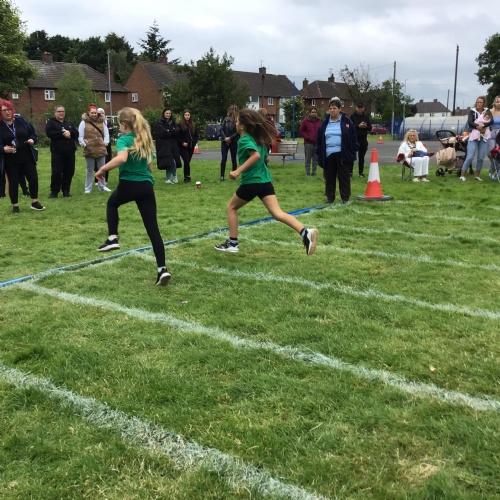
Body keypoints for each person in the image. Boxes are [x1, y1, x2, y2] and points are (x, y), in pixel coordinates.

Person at [214, 108, 319, 255]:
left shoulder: (244, 140)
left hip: (252, 181)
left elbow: (256, 156)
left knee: (231, 207)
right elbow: (265, 158)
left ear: (242, 126)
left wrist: (237, 171)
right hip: (265, 181)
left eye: (237, 121)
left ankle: (232, 243)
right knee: (277, 213)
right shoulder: (258, 139)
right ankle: (305, 232)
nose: (235, 123)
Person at [95, 107, 171, 286]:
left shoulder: (124, 140)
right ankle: (162, 269)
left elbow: (122, 158)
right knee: (153, 230)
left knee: (112, 204)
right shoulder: (144, 139)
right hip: (146, 186)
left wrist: (102, 169)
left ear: (123, 124)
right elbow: (150, 167)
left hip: (129, 184)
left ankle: (112, 238)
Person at [0, 99, 45, 213]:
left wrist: (32, 140)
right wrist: (3, 149)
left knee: (33, 178)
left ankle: (34, 202)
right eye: (4, 110)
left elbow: (32, 133)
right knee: (13, 182)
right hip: (11, 160)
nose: (7, 112)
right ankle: (15, 205)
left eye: (9, 109)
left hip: (26, 157)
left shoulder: (20, 120)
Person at [315, 97, 358, 204]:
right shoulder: (325, 123)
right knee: (329, 177)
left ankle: (345, 197)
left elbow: (353, 137)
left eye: (334, 108)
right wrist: (319, 152)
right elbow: (319, 139)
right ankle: (330, 197)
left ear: (339, 109)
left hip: (343, 154)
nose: (332, 110)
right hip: (328, 154)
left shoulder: (347, 122)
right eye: (330, 108)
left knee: (344, 177)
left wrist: (352, 151)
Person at [45, 105, 79, 198]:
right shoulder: (51, 123)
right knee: (56, 173)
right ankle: (54, 191)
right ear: (55, 112)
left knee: (69, 172)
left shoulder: (69, 123)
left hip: (70, 153)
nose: (61, 113)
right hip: (57, 153)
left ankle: (66, 190)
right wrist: (63, 133)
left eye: (62, 111)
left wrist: (70, 133)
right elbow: (49, 133)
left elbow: (76, 133)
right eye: (59, 111)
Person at [78, 103, 111, 193]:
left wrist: (105, 143)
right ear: (88, 113)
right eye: (92, 113)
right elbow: (80, 136)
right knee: (90, 169)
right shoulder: (83, 123)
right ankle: (88, 188)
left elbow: (106, 134)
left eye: (95, 113)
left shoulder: (102, 122)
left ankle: (102, 186)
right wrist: (84, 144)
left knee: (102, 168)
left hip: (101, 148)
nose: (94, 114)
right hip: (89, 148)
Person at [459, 96, 493, 182]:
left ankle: (477, 175)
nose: (479, 104)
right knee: (470, 156)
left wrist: (483, 126)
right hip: (474, 135)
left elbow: (491, 121)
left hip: (484, 135)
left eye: (481, 102)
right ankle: (462, 175)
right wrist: (478, 126)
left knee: (480, 157)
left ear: (484, 103)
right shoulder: (472, 111)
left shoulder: (487, 111)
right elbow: (470, 122)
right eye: (478, 102)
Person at [155, 107, 181, 184]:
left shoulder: (172, 122)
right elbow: (163, 133)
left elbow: (177, 131)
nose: (168, 115)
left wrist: (170, 131)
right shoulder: (160, 123)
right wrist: (171, 131)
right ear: (164, 114)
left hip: (173, 145)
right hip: (164, 146)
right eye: (167, 113)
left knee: (170, 162)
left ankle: (167, 179)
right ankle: (175, 175)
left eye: (169, 113)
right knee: (171, 162)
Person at [350, 102, 372, 178]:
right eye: (358, 107)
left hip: (363, 140)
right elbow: (350, 127)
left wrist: (365, 126)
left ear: (363, 108)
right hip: (354, 140)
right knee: (352, 156)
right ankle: (350, 172)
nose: (360, 109)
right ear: (356, 108)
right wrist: (358, 126)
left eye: (361, 107)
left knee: (361, 157)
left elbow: (370, 128)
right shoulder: (352, 117)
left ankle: (361, 173)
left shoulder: (366, 117)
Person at [299, 107, 322, 176]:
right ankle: (307, 172)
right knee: (308, 158)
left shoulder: (319, 121)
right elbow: (301, 131)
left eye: (315, 112)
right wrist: (307, 137)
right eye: (312, 112)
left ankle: (314, 172)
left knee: (315, 159)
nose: (314, 113)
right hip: (308, 143)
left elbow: (321, 130)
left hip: (317, 143)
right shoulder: (305, 121)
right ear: (309, 113)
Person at [220, 105, 239, 181]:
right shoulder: (226, 120)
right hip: (224, 142)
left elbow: (237, 132)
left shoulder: (237, 121)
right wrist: (224, 137)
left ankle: (234, 175)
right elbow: (221, 129)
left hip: (233, 141)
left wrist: (230, 138)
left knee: (233, 159)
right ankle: (222, 175)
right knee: (223, 159)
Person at [178, 109, 199, 183]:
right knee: (186, 160)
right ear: (183, 116)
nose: (187, 116)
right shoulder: (180, 125)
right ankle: (187, 176)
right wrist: (182, 142)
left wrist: (194, 142)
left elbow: (196, 135)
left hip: (191, 147)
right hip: (183, 147)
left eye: (188, 115)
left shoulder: (193, 125)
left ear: (190, 116)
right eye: (186, 115)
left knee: (187, 162)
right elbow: (178, 136)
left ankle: (187, 175)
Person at [97, 107, 114, 185]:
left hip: (107, 144)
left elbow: (111, 130)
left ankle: (106, 179)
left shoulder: (108, 122)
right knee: (98, 160)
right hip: (98, 144)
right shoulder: (95, 123)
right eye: (99, 113)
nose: (101, 115)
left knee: (107, 160)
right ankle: (97, 179)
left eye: (102, 113)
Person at [487, 95, 500, 180]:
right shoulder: (490, 111)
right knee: (490, 153)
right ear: (494, 103)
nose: (499, 103)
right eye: (497, 102)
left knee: (498, 154)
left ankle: (496, 173)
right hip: (491, 133)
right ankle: (492, 171)